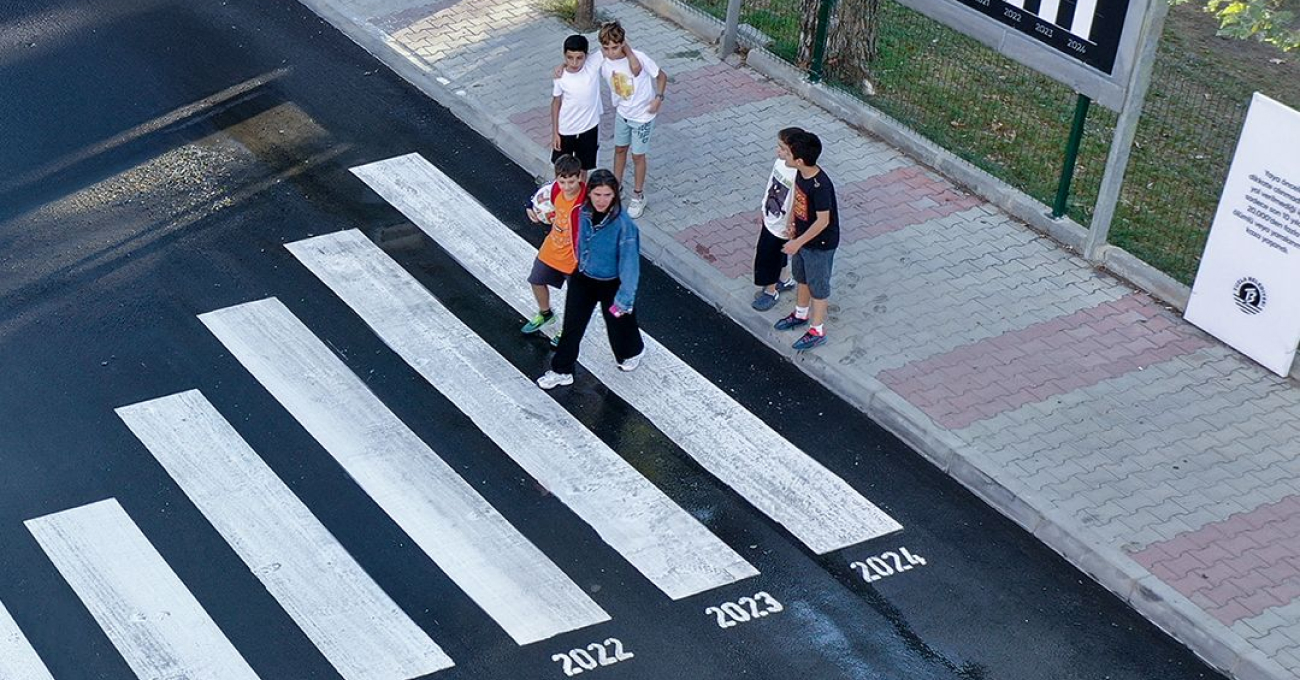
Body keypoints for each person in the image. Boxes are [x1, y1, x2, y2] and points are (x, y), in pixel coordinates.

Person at [538, 169, 645, 389]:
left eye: (607, 195)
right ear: (590, 194)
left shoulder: (625, 227)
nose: (601, 200)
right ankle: (561, 370)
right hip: (584, 278)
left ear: (615, 195)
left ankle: (633, 350)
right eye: (597, 194)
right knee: (572, 325)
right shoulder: (584, 212)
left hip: (611, 285)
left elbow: (630, 267)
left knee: (618, 322)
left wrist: (624, 299)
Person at [774, 131, 839, 350]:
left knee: (818, 287)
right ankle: (800, 313)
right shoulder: (801, 173)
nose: (780, 153)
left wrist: (798, 242)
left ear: (799, 160)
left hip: (819, 245)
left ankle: (817, 329)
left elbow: (822, 221)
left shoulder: (821, 186)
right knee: (801, 277)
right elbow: (798, 197)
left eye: (784, 150)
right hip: (803, 239)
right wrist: (792, 221)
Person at [595, 21, 667, 218]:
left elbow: (661, 76)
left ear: (622, 44)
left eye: (615, 47)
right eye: (606, 48)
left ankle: (638, 195)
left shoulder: (639, 58)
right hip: (623, 114)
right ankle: (615, 188)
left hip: (643, 116)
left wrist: (658, 99)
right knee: (619, 150)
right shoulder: (603, 62)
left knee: (637, 156)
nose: (611, 52)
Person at [523, 154, 586, 343]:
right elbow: (537, 197)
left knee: (574, 298)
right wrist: (528, 206)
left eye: (571, 182)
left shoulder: (587, 199)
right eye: (563, 181)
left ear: (579, 178)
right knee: (536, 281)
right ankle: (546, 313)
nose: (567, 187)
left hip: (575, 257)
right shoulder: (555, 189)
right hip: (552, 248)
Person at [751, 127, 803, 312]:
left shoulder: (797, 175)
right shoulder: (780, 164)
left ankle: (771, 291)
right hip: (771, 216)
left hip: (780, 224)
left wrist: (790, 224)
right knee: (778, 254)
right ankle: (785, 279)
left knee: (768, 257)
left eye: (782, 148)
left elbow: (794, 203)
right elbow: (770, 186)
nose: (777, 151)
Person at [551, 34, 603, 181]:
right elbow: (556, 103)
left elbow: (615, 41)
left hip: (589, 127)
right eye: (569, 58)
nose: (574, 62)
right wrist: (555, 132)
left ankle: (580, 198)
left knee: (584, 167)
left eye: (579, 58)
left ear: (587, 55)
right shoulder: (560, 76)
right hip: (566, 127)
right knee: (561, 167)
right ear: (564, 56)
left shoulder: (592, 64)